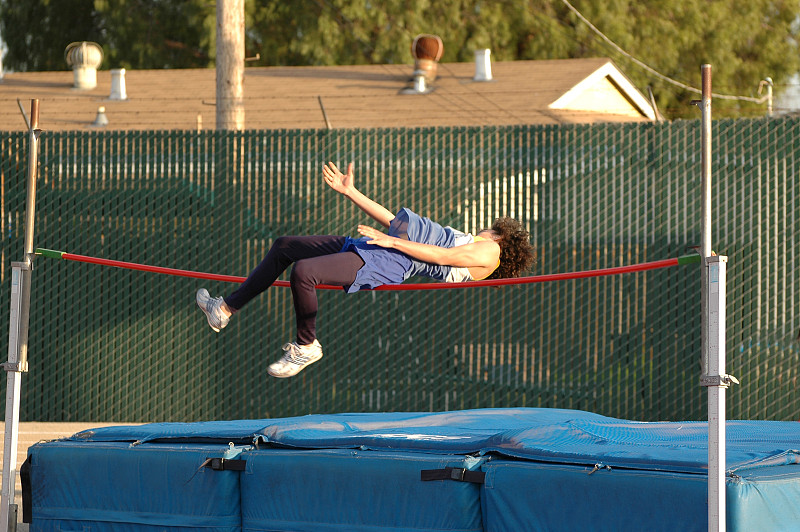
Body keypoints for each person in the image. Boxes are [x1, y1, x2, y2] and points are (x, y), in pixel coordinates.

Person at [196, 162, 535, 378]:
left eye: (493, 228)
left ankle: (307, 345)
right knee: (285, 245)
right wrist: (351, 192)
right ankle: (224, 309)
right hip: (383, 246)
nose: (486, 230)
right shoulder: (476, 245)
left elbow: (441, 257)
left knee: (303, 273)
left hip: (389, 259)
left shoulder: (490, 252)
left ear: (502, 239)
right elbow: (393, 222)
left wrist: (393, 244)